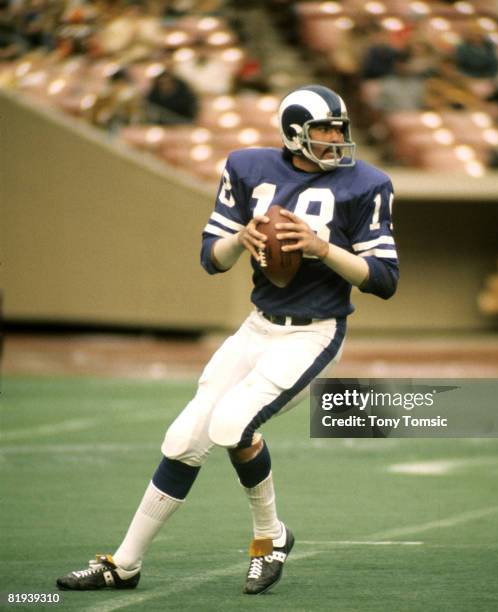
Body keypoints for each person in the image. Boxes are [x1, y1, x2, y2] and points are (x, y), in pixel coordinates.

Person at [55, 84, 399, 595]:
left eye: (338, 128)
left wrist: (321, 248)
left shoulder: (366, 184)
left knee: (232, 423)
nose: (335, 138)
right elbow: (211, 259)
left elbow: (385, 280)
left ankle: (269, 539)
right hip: (258, 326)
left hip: (315, 333)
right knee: (183, 439)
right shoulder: (247, 167)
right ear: (293, 133)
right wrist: (242, 239)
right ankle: (124, 564)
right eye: (323, 129)